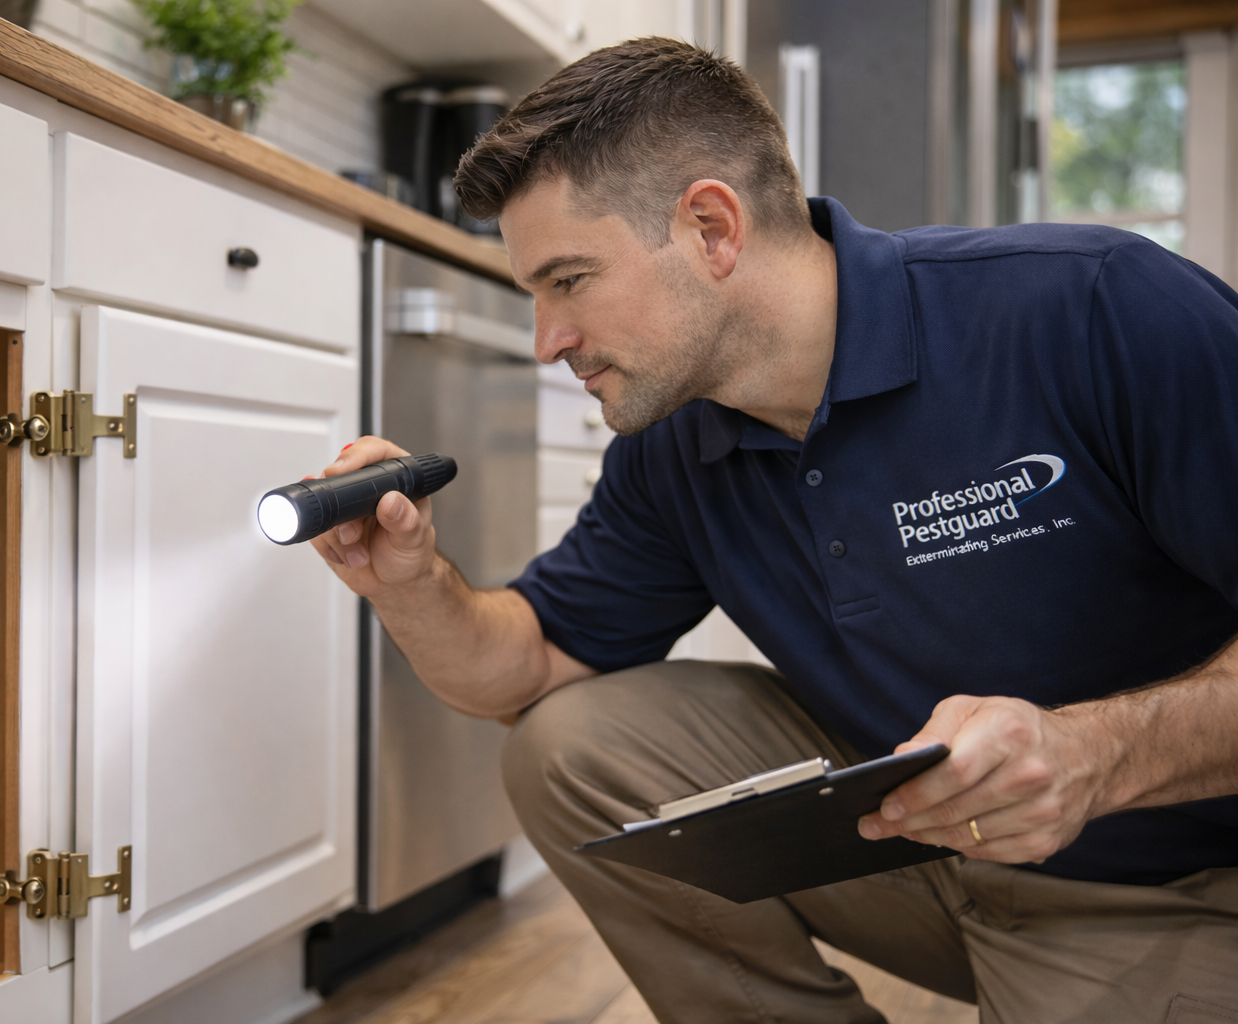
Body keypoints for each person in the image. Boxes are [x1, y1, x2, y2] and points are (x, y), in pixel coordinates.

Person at [311, 37, 1238, 1024]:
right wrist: (409, 582)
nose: (549, 342)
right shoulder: (676, 443)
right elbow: (532, 668)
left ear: (712, 227)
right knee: (570, 744)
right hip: (923, 847)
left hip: (1158, 878)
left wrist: (1098, 753)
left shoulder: (1095, 308)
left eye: (569, 280)